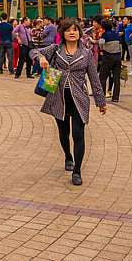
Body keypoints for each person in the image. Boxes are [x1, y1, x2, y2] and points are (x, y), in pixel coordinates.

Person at [32, 18, 107, 186]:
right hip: (59, 98)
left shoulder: (86, 53)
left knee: (78, 134)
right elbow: (34, 51)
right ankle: (68, 156)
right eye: (68, 30)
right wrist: (41, 58)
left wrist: (101, 101)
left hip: (79, 99)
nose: (72, 32)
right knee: (63, 132)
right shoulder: (55, 49)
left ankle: (77, 171)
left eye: (75, 29)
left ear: (79, 32)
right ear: (63, 33)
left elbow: (94, 79)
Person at [97, 19, 123, 102]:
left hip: (108, 56)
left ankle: (102, 95)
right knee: (116, 78)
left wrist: (102, 49)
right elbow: (120, 45)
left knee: (103, 76)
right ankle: (115, 97)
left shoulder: (105, 34)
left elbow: (101, 42)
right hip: (117, 56)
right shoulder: (116, 34)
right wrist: (120, 54)